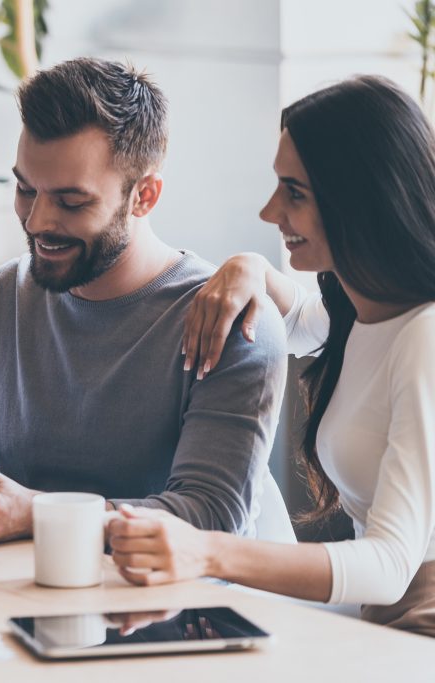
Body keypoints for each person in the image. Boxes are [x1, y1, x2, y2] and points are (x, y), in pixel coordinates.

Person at [0, 57, 293, 546]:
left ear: (145, 196)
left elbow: (213, 516)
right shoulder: (1, 299)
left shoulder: (230, 322)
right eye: (26, 189)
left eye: (72, 202)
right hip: (17, 597)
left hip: (182, 614)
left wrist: (40, 514)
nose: (37, 221)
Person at [107, 75, 435, 638]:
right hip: (383, 616)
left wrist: (206, 552)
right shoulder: (367, 306)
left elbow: (385, 568)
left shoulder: (424, 337)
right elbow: (300, 322)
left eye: (295, 193)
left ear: (362, 200)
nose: (268, 211)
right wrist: (249, 267)